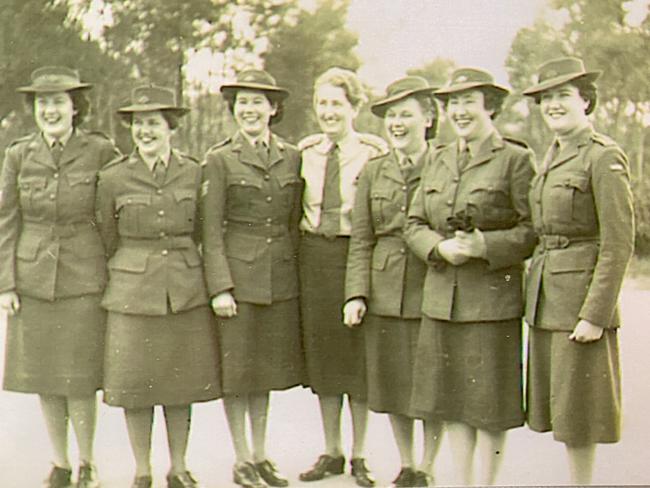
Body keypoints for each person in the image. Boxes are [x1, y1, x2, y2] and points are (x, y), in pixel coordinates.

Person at [404, 68, 536, 486]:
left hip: (491, 301)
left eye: (468, 102)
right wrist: (438, 248)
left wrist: (487, 247)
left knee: (490, 405)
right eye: (452, 104)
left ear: (490, 106)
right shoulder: (439, 157)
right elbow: (413, 222)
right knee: (453, 401)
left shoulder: (515, 159)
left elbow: (534, 229)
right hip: (443, 299)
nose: (459, 112)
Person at [96, 84, 221, 488]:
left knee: (179, 384)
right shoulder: (113, 177)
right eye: (138, 124)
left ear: (171, 127)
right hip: (132, 293)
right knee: (135, 385)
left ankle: (179, 467)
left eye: (153, 123)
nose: (145, 131)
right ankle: (142, 469)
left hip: (184, 289)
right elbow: (106, 235)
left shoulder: (194, 170)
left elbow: (203, 229)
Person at [0, 66, 119, 488]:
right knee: (45, 376)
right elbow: (7, 220)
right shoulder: (18, 154)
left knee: (80, 376)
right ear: (34, 108)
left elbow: (113, 215)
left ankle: (87, 461)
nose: (50, 110)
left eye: (58, 102)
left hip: (84, 276)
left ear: (75, 107)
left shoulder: (100, 151)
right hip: (33, 278)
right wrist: (6, 283)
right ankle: (60, 462)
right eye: (42, 103)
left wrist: (113, 272)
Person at [522, 57, 634, 485]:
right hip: (548, 298)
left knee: (580, 415)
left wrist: (595, 314)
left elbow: (618, 242)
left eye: (563, 96)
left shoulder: (602, 157)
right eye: (546, 98)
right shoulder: (549, 157)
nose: (553, 105)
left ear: (585, 101)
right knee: (564, 413)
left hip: (579, 305)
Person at [201, 69, 304, 488]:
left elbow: (294, 219)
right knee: (238, 372)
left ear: (273, 108)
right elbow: (210, 230)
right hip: (238, 280)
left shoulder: (291, 155)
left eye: (258, 102)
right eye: (242, 102)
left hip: (279, 277)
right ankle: (241, 457)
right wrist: (221, 286)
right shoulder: (219, 158)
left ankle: (261, 455)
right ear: (233, 110)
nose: (249, 109)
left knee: (264, 372)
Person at [343, 76, 443, 487]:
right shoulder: (373, 171)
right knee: (395, 382)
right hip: (385, 290)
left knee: (432, 380)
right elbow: (362, 238)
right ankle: (406, 463)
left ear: (429, 118)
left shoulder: (447, 163)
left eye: (406, 114)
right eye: (391, 116)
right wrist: (356, 293)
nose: (397, 123)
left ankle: (428, 466)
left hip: (434, 284)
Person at [298, 67, 388, 488]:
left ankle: (360, 454)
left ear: (355, 108)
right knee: (325, 358)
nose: (329, 112)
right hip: (315, 257)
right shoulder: (306, 152)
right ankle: (332, 450)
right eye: (322, 104)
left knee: (357, 359)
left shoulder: (373, 153)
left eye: (337, 103)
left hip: (356, 254)